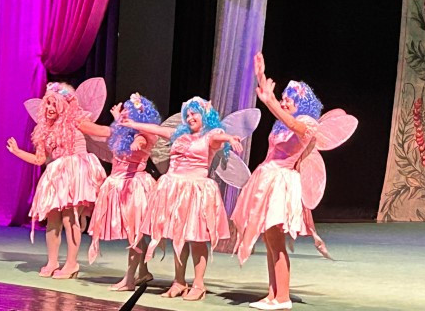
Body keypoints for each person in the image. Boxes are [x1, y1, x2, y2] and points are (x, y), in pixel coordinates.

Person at [232, 53, 356, 311]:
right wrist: (260, 77)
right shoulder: (281, 124)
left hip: (281, 182)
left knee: (276, 240)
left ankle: (283, 297)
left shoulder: (307, 123)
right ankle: (272, 294)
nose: (284, 101)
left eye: (289, 98)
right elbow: (281, 116)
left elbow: (292, 123)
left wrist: (270, 101)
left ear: (302, 103)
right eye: (284, 98)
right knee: (269, 240)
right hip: (266, 178)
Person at [120, 96, 241, 302]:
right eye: (188, 114)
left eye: (195, 114)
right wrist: (132, 124)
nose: (191, 117)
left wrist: (230, 139)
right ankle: (179, 281)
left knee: (196, 238)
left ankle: (199, 284)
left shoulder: (210, 135)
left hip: (195, 190)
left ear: (205, 116)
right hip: (174, 188)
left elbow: (219, 136)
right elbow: (155, 129)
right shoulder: (179, 134)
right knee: (177, 236)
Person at [6, 82, 106, 279]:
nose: (50, 108)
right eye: (48, 104)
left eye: (54, 104)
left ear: (64, 105)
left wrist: (122, 126)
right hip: (56, 175)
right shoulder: (44, 130)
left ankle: (72, 263)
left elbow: (100, 131)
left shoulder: (76, 121)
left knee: (70, 218)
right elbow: (39, 159)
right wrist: (17, 152)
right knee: (53, 219)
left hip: (75, 171)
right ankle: (52, 261)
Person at [80, 93, 161, 290]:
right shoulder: (122, 131)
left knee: (135, 234)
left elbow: (140, 142)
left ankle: (129, 280)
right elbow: (96, 130)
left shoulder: (143, 136)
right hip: (119, 184)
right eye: (124, 110)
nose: (124, 113)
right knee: (134, 233)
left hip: (133, 186)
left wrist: (136, 144)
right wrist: (116, 118)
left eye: (128, 112)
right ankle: (143, 271)